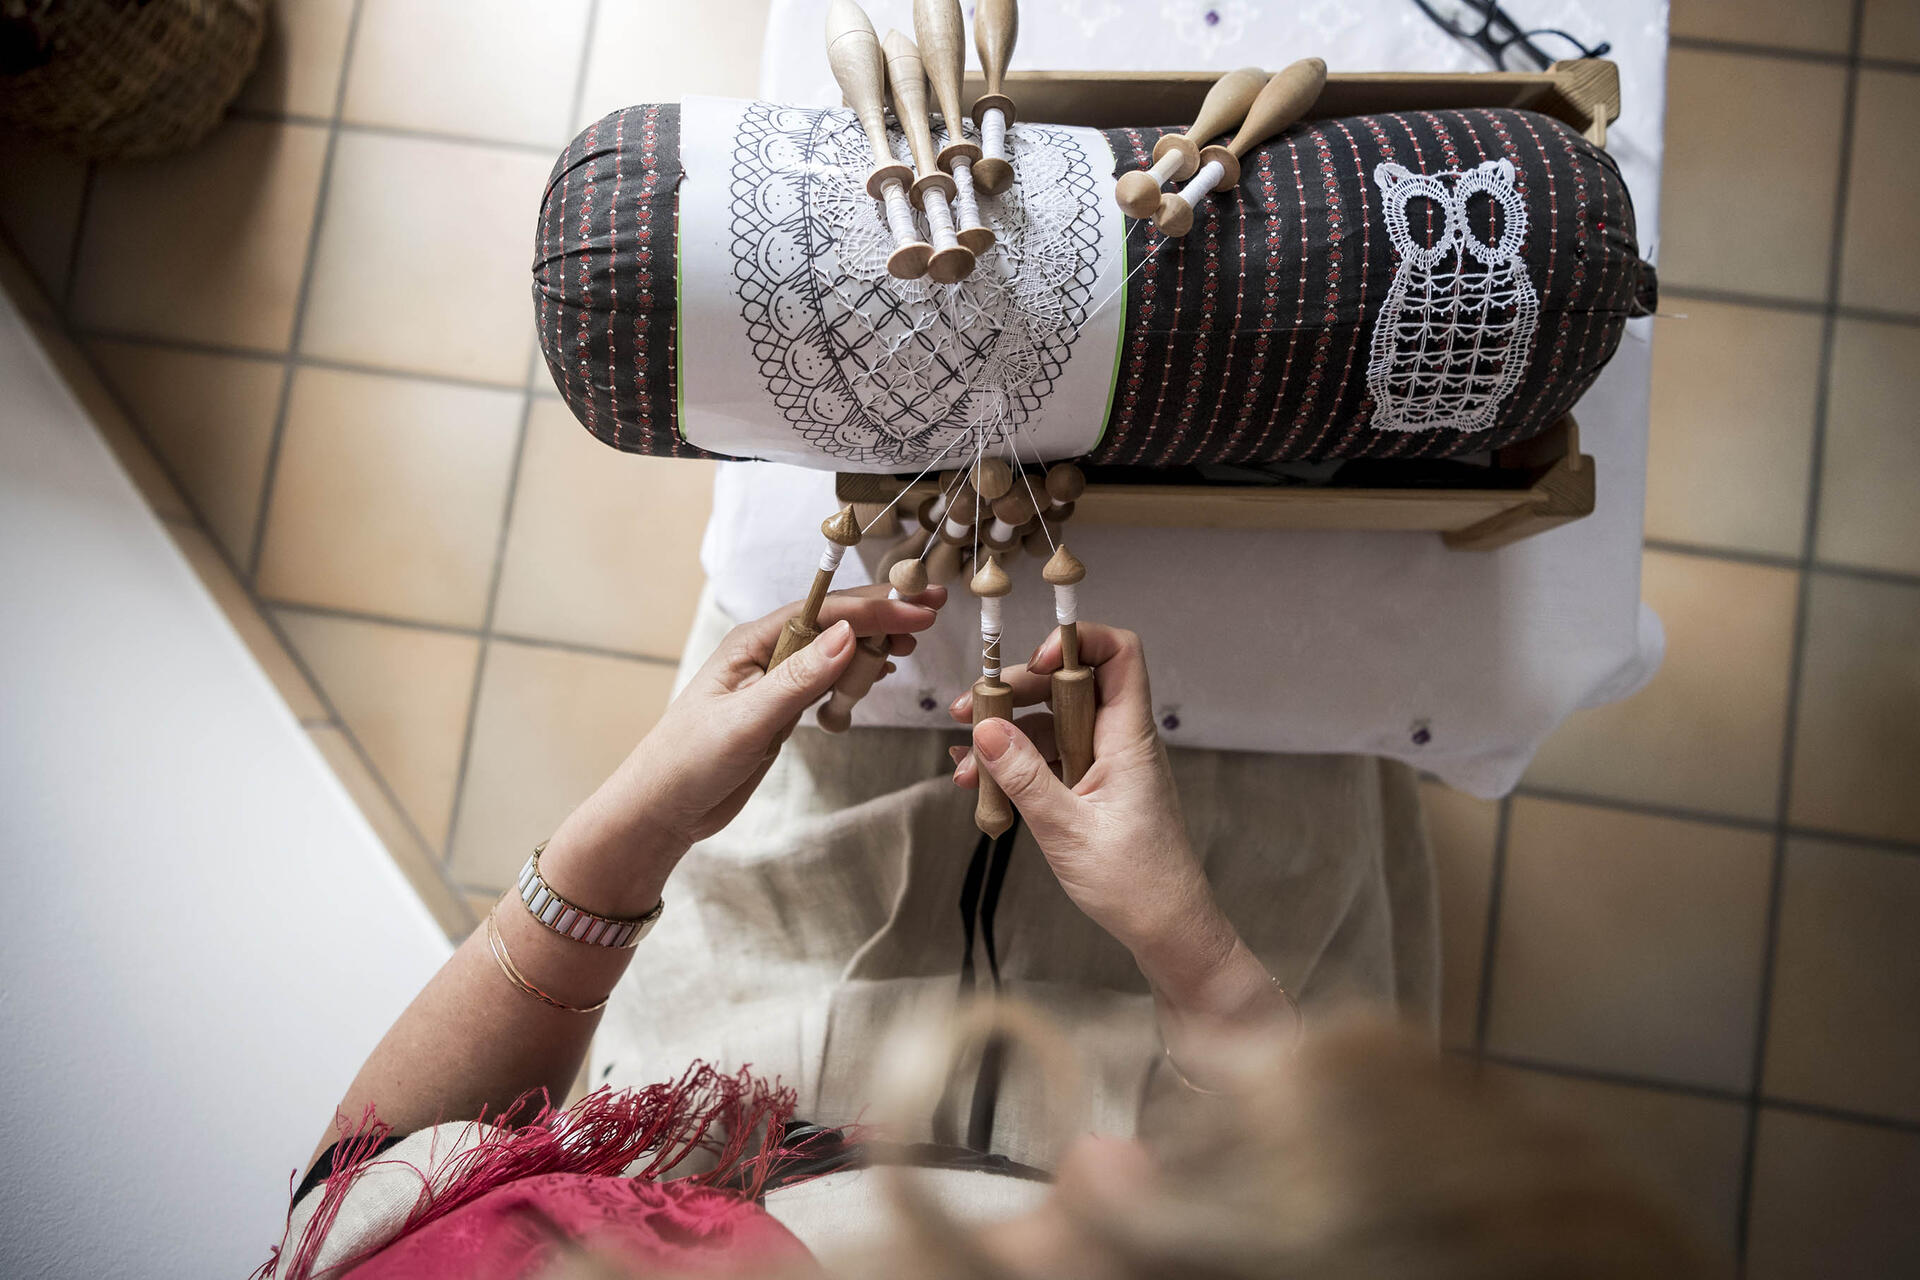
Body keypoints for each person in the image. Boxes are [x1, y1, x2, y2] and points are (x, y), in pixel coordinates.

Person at [278, 583, 1637, 1277]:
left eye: (1127, 1233)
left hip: (728, 1071)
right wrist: (1210, 970)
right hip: (1226, 1045)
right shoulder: (1253, 1182)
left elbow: (370, 1184)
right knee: (1304, 721)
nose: (1100, 1165)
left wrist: (620, 842)